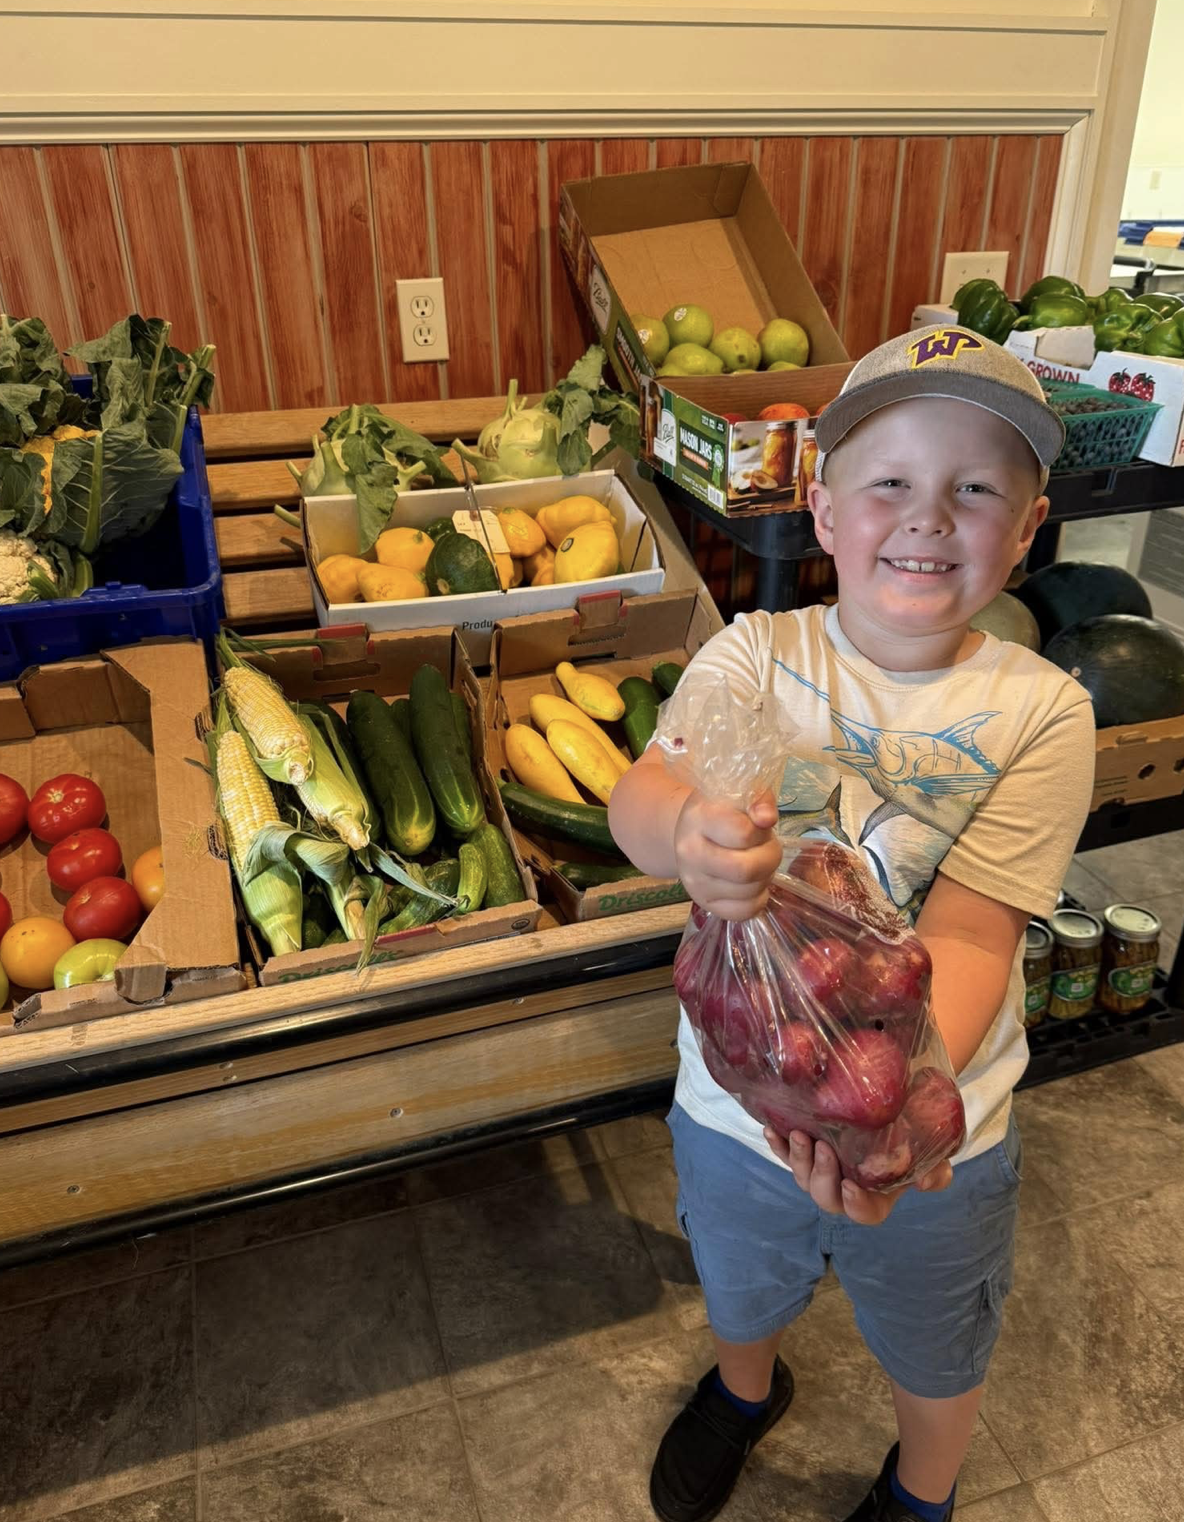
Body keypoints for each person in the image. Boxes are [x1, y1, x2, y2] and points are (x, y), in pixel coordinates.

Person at [608, 325, 1096, 1522]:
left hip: (938, 1129)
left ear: (1026, 531)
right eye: (888, 483)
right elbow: (642, 792)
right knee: (740, 1278)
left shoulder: (1040, 711)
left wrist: (889, 1120)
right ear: (822, 512)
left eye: (974, 488)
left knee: (934, 1333)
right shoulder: (751, 656)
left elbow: (976, 937)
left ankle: (921, 1488)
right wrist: (687, 841)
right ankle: (742, 1387)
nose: (927, 517)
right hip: (732, 1105)